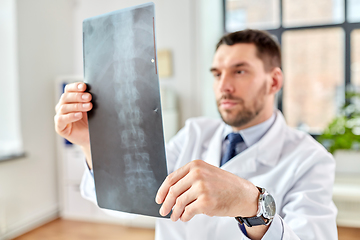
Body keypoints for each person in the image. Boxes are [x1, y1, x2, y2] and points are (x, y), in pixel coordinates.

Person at [54, 29, 337, 240]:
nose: (224, 86)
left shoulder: (311, 160)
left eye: (239, 71)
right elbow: (129, 204)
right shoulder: (195, 132)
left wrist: (251, 203)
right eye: (216, 74)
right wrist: (90, 145)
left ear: (274, 80)